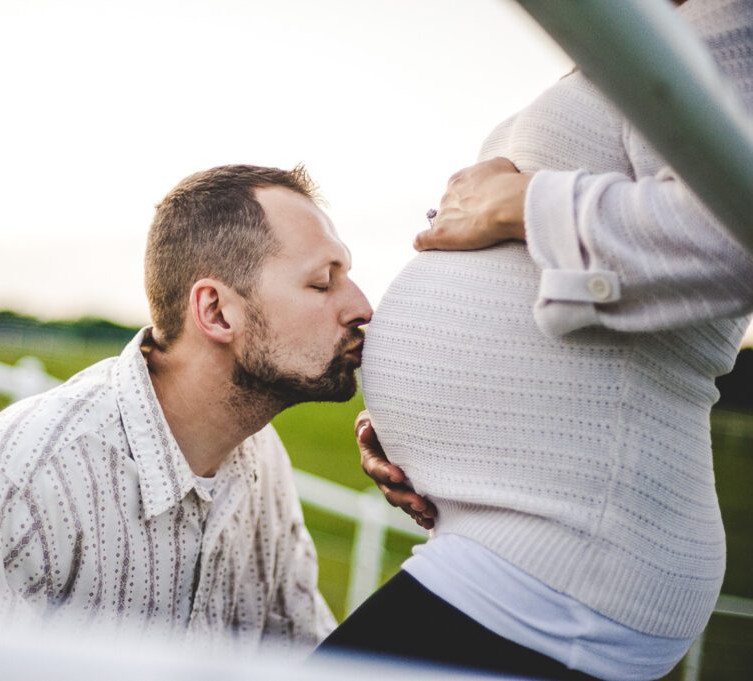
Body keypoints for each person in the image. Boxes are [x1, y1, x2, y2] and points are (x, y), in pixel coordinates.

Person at [317, 0, 753, 679]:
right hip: (514, 540)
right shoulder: (624, 47)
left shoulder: (723, 17)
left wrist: (518, 204)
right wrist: (434, 451)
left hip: (575, 560)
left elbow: (733, 238)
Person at [0, 164, 373, 653]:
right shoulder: (14, 488)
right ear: (216, 312)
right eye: (322, 283)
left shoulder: (260, 460)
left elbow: (303, 660)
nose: (362, 307)